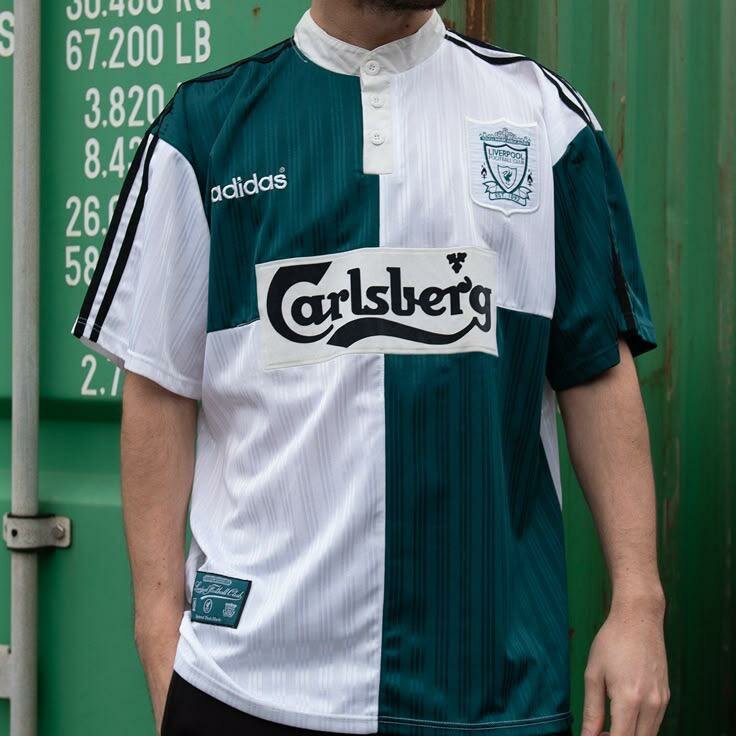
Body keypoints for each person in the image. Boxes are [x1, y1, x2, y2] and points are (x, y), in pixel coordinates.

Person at [70, 1, 670, 735]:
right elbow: (159, 387)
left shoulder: (545, 120)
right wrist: (160, 637)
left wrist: (638, 604)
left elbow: (595, 370)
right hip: (246, 687)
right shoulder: (203, 131)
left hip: (490, 693)